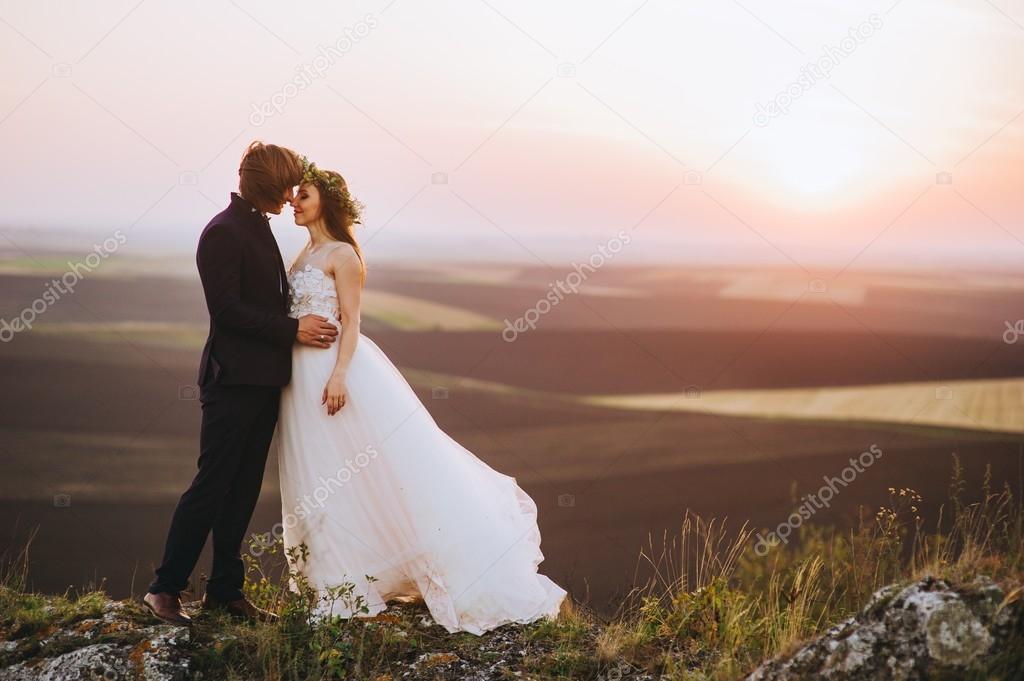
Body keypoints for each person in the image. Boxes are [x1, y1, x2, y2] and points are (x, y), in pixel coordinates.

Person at [274, 158, 566, 634]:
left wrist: (340, 375)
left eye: (303, 196)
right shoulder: (302, 256)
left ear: (326, 200)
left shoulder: (342, 256)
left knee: (372, 468)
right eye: (293, 196)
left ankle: (383, 573)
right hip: (298, 380)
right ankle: (336, 579)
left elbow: (352, 321)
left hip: (331, 373)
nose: (294, 204)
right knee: (320, 470)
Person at [143, 142, 340, 626]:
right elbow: (227, 311)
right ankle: (164, 589)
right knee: (211, 485)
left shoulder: (256, 226)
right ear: (270, 183)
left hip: (264, 383)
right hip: (231, 382)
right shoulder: (223, 232)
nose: (292, 194)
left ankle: (226, 593)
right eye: (288, 184)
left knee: (244, 489)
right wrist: (293, 329)